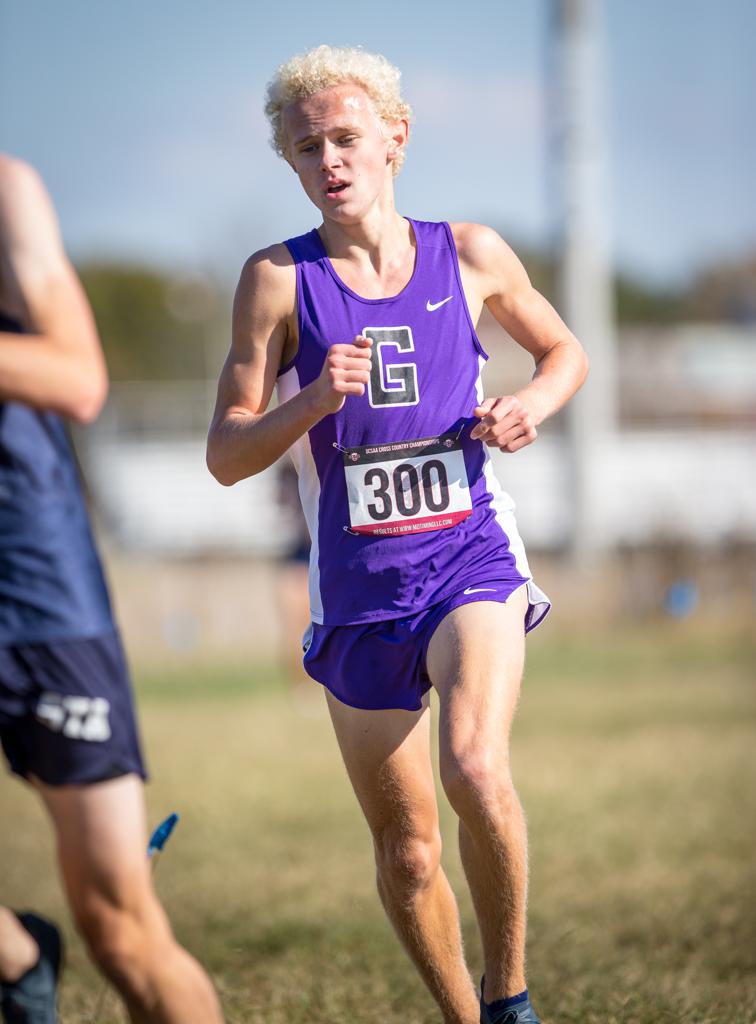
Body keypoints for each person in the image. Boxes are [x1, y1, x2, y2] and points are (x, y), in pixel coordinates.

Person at [207, 45, 588, 1024]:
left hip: (468, 555)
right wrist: (310, 401)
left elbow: (563, 351)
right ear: (290, 165)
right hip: (359, 587)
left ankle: (512, 1002)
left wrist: (532, 404)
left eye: (344, 138)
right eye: (306, 149)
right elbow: (225, 453)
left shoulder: (468, 253)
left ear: (394, 140)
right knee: (409, 848)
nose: (328, 160)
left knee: (473, 762)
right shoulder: (276, 283)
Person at [0, 155, 225, 1024]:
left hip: (33, 593)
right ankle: (20, 959)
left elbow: (76, 376)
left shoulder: (7, 191)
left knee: (120, 926)